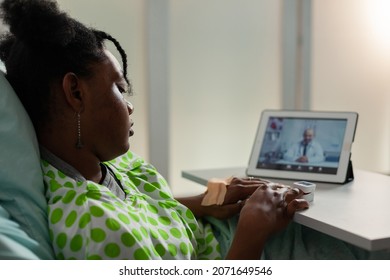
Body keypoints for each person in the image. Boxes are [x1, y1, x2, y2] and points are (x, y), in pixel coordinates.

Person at [0, 0, 309, 260]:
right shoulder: (96, 226)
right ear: (76, 93)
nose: (129, 106)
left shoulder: (103, 164)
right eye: (119, 88)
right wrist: (252, 232)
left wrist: (203, 202)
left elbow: (138, 209)